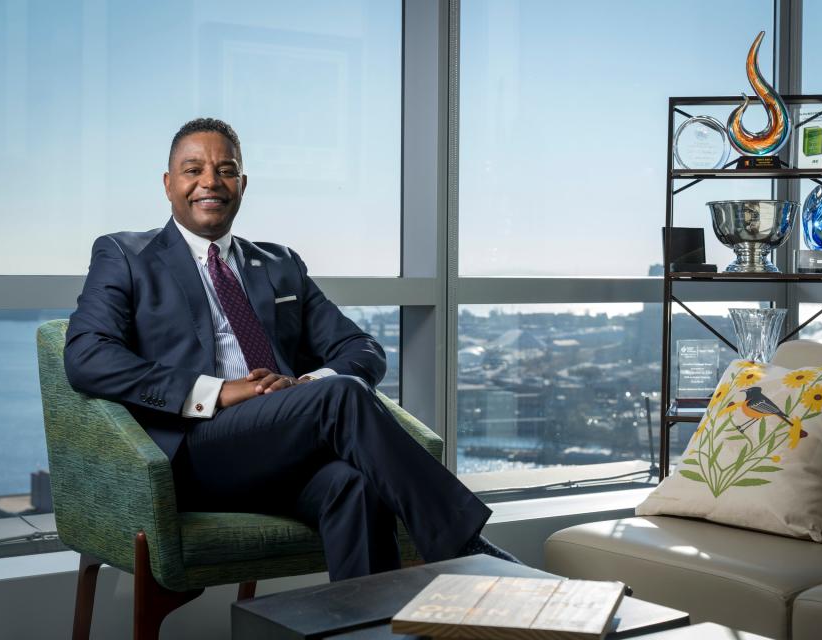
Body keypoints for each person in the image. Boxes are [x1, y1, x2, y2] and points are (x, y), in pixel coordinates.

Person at [64, 118, 516, 580]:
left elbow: (361, 349)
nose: (210, 182)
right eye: (193, 170)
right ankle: (465, 552)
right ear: (168, 184)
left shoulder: (280, 264)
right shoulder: (125, 254)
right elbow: (86, 356)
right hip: (193, 454)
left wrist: (303, 388)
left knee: (354, 485)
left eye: (226, 170)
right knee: (341, 394)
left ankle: (366, 628)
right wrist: (217, 392)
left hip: (280, 445)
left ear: (242, 184)